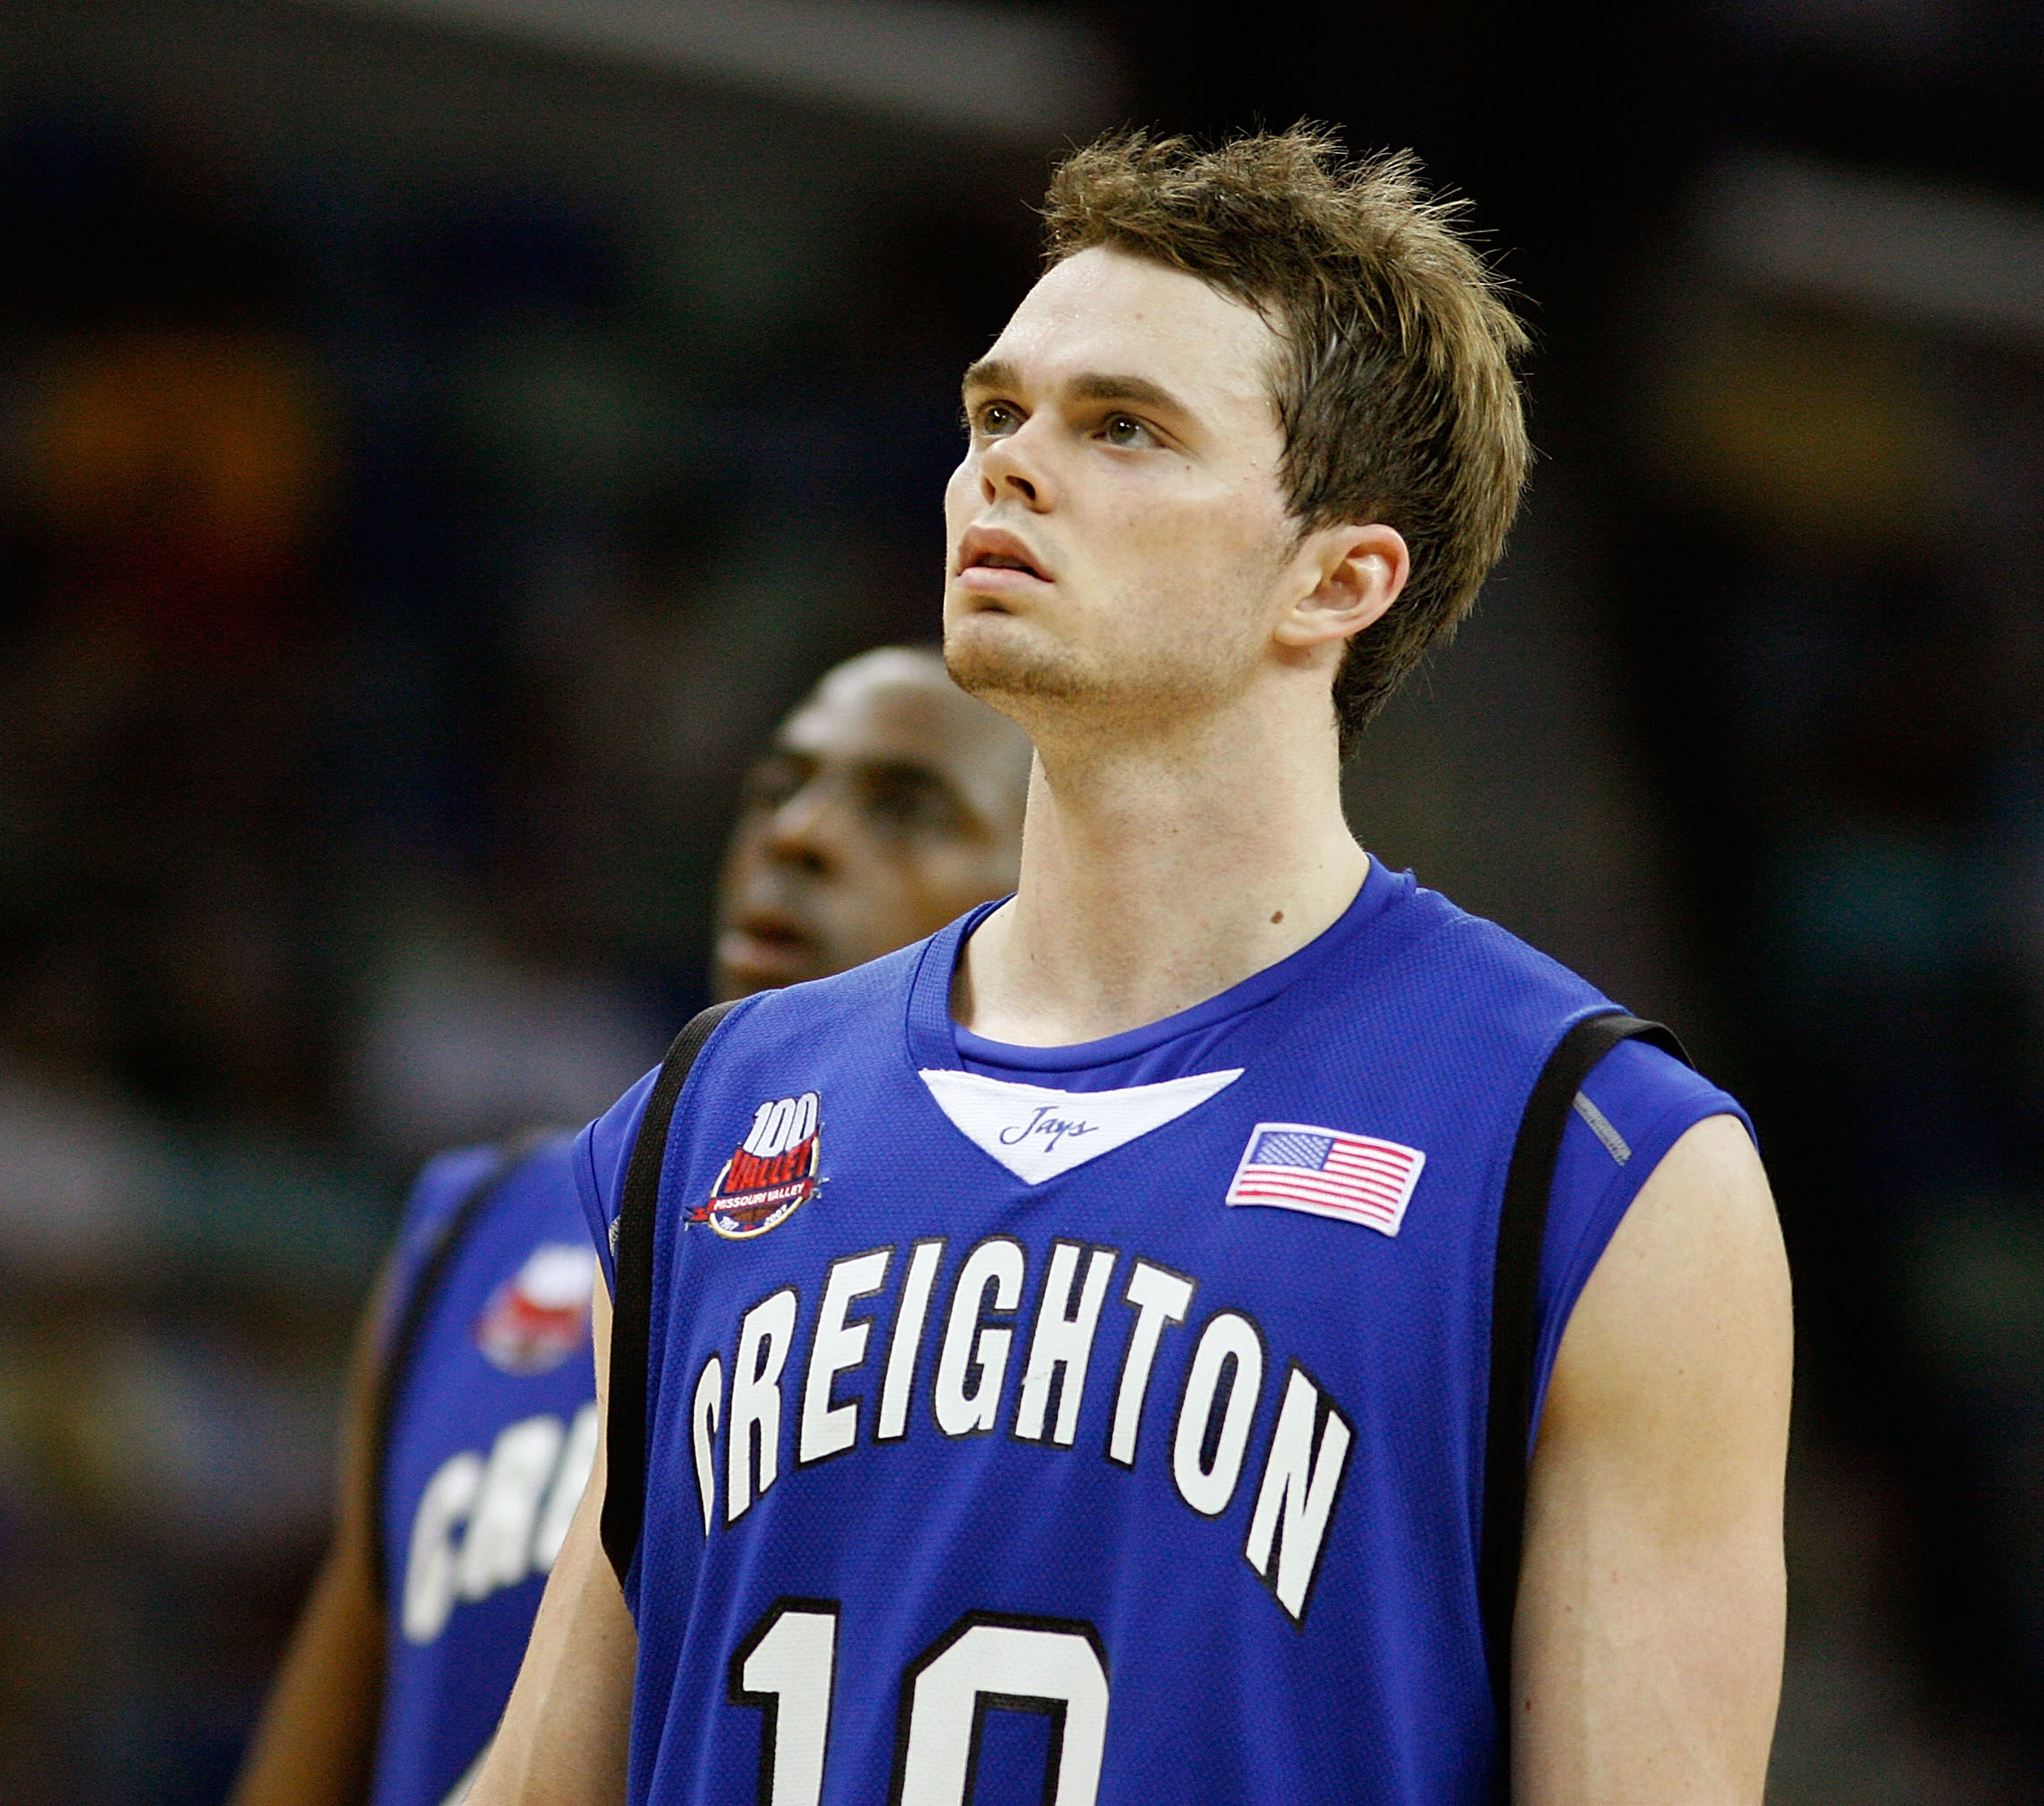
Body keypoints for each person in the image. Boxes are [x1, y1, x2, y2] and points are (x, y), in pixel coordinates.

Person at [472, 126, 1791, 1806]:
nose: (1009, 469)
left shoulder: (1595, 1164)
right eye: (996, 414)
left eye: (1123, 428)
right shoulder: (717, 1108)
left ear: (1340, 576)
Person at [231, 647, 1033, 1806]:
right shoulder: (480, 1228)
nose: (798, 835)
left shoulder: (1028, 1299)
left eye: (905, 806)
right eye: (776, 788)